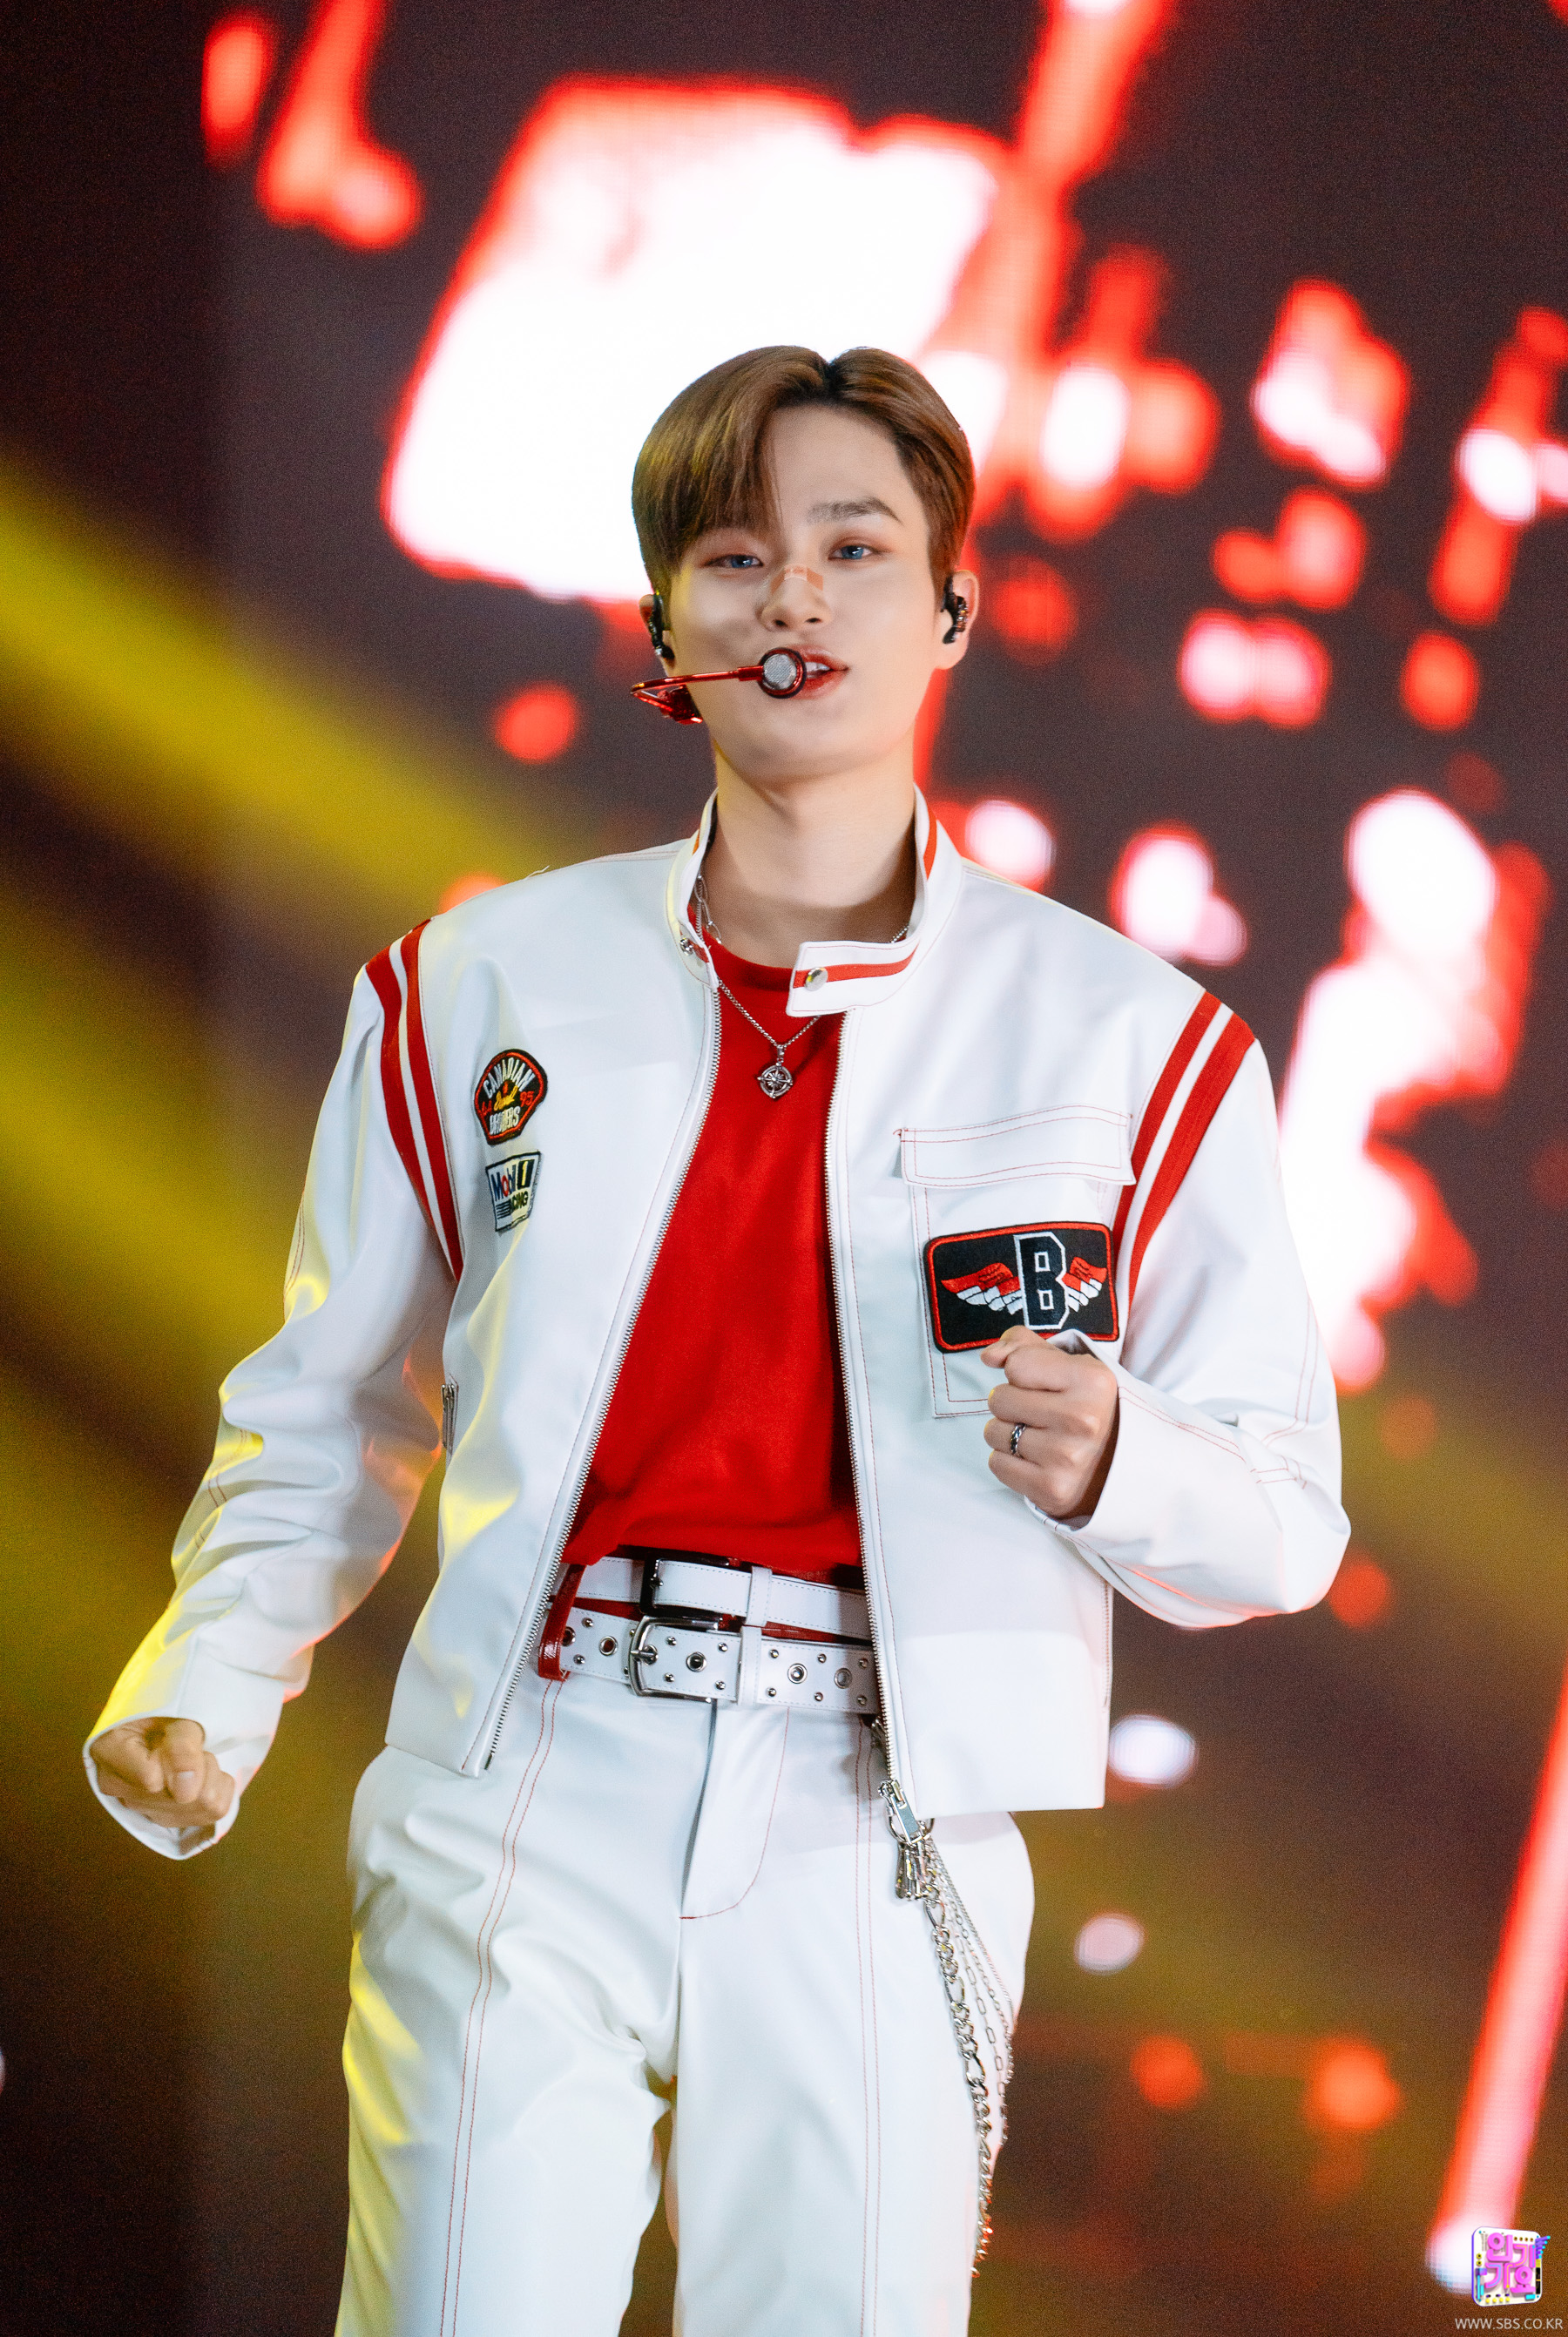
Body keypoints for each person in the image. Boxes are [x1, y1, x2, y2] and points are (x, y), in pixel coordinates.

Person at [85, 344, 1348, 2335]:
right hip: (524, 1774)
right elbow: (331, 1410)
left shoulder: (1134, 1040)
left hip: (885, 1818)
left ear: (953, 608)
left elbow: (1286, 1523)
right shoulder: (472, 985)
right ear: (667, 629)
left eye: (857, 548)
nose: (796, 600)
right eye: (738, 558)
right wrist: (214, 1679)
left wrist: (1123, 1455)